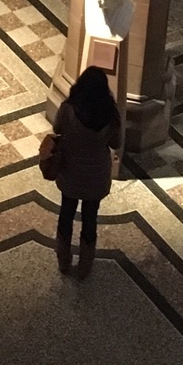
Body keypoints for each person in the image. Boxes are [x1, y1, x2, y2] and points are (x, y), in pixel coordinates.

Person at [49, 65, 120, 278]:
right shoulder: (110, 115)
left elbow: (57, 129)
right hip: (96, 175)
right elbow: (116, 142)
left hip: (71, 170)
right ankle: (85, 265)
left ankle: (63, 260)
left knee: (66, 213)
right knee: (90, 218)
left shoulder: (68, 110)